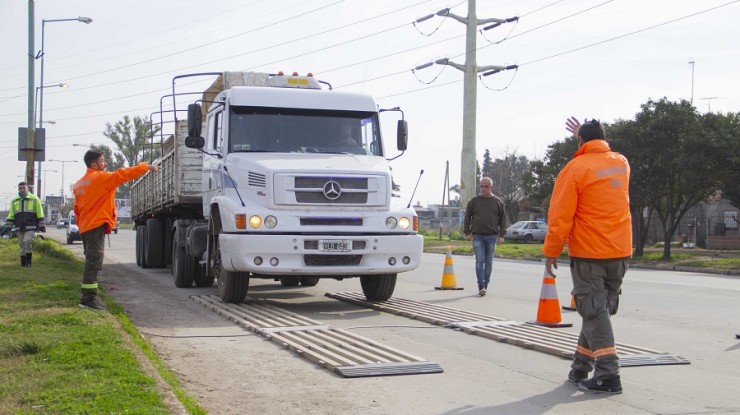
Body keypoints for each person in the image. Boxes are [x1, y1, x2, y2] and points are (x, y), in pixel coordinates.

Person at [543, 117, 632, 394]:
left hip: (590, 252)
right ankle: (581, 368)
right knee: (596, 310)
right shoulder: (621, 163)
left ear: (581, 142)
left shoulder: (574, 169)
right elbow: (598, 160)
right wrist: (583, 138)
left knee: (593, 311)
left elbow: (560, 214)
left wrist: (551, 250)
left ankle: (608, 374)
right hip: (619, 251)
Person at [72, 150, 158, 311]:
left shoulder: (79, 184)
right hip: (95, 226)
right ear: (94, 164)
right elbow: (123, 174)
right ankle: (87, 299)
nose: (105, 163)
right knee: (94, 263)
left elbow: (77, 209)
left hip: (86, 227)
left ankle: (88, 297)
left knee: (91, 261)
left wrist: (83, 224)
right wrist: (145, 166)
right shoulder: (101, 178)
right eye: (102, 161)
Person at [463, 177, 507, 296]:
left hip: (492, 236)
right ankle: (481, 285)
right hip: (477, 236)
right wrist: (467, 233)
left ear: (491, 187)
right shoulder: (474, 201)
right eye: (481, 186)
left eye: (486, 186)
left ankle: (485, 284)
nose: (483, 189)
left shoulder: (498, 202)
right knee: (479, 261)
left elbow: (503, 219)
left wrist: (502, 235)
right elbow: (467, 217)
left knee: (489, 262)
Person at [6, 181, 45, 267]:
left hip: (31, 226)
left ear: (28, 188)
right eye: (20, 188)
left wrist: (42, 225)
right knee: (21, 244)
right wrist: (8, 226)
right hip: (19, 226)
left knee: (27, 241)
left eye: (24, 188)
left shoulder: (35, 199)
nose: (22, 190)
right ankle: (23, 262)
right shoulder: (14, 200)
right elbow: (11, 214)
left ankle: (29, 262)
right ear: (18, 189)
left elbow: (40, 212)